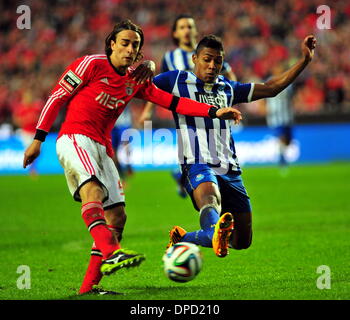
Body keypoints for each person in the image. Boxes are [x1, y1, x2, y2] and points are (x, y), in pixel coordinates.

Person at [22, 20, 242, 295]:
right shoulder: (90, 64)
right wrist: (38, 139)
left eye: (135, 45)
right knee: (93, 191)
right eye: (124, 43)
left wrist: (213, 111)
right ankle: (112, 252)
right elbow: (57, 97)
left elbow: (171, 102)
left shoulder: (135, 80)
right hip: (75, 137)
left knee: (117, 217)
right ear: (112, 43)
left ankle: (88, 289)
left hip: (103, 147)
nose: (129, 49)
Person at [153, 34, 316, 258]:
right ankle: (211, 232)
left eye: (217, 61)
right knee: (210, 199)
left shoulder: (228, 88)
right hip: (196, 162)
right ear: (195, 59)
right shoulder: (176, 81)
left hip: (230, 169)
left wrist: (305, 61)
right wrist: (143, 66)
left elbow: (271, 88)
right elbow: (140, 85)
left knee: (241, 241)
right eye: (207, 59)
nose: (212, 66)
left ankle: (184, 238)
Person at [138, 14, 236, 198]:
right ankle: (188, 176)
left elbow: (229, 75)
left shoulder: (209, 54)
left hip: (213, 109)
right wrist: (147, 110)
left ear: (195, 31)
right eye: (182, 27)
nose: (187, 30)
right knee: (191, 147)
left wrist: (229, 95)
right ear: (175, 33)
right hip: (187, 109)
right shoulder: (170, 57)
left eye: (190, 26)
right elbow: (157, 87)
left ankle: (185, 177)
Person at [265, 64, 294, 171]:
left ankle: (283, 156)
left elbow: (291, 98)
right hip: (275, 116)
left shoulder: (288, 82)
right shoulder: (269, 81)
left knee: (288, 141)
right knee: (281, 137)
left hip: (287, 116)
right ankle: (282, 160)